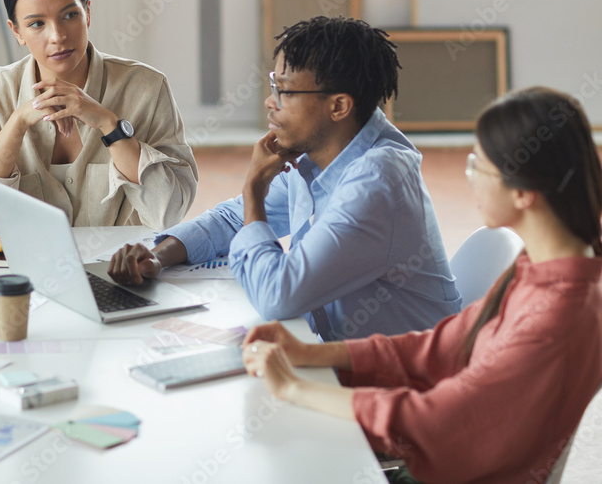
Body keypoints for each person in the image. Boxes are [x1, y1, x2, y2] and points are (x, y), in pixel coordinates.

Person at [241, 87, 602, 484]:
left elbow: (433, 421)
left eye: (477, 167)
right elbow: (445, 344)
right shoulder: (545, 267)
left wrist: (293, 388)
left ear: (522, 192)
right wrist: (310, 353)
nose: (470, 181)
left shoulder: (556, 314)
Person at [108, 16, 460, 339]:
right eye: (274, 85)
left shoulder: (376, 180)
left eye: (285, 91)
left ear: (339, 106)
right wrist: (158, 255)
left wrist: (253, 188)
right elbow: (233, 220)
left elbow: (278, 295)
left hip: (401, 384)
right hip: (343, 359)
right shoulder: (319, 152)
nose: (269, 101)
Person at [0, 0, 197, 229]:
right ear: (16, 32)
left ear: (87, 13)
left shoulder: (147, 88)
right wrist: (16, 125)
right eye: (37, 23)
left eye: (69, 15)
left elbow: (169, 212)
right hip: (21, 269)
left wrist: (109, 124)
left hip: (120, 268)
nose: (58, 36)